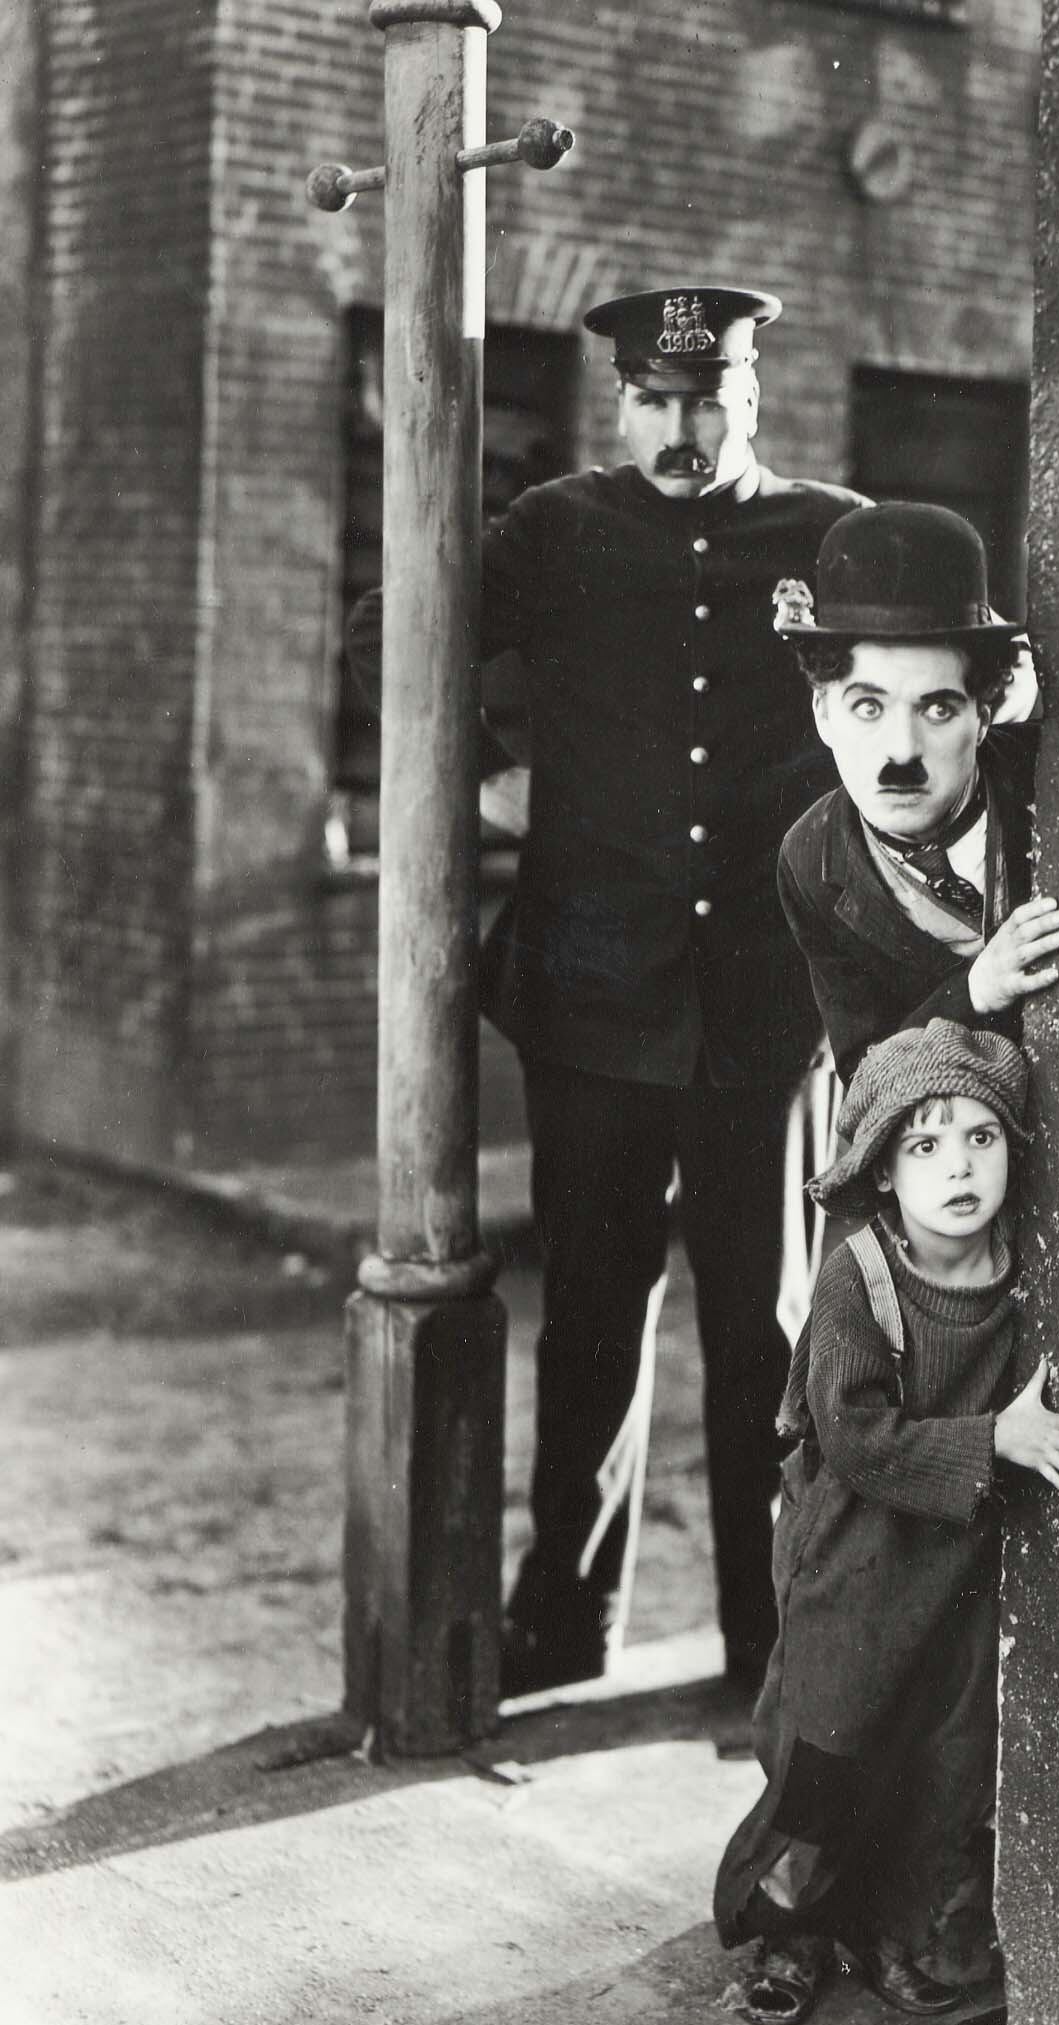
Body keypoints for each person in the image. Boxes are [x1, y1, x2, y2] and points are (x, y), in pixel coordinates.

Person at [348, 285, 868, 1697]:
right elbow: (391, 628)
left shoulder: (830, 535)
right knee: (588, 1318)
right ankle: (564, 1622)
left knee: (765, 1333)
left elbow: (951, 673)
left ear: (752, 399)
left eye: (708, 401)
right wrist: (480, 777)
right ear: (621, 405)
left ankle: (769, 1631)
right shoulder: (557, 528)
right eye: (655, 402)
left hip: (763, 1008)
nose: (681, 429)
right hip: (591, 999)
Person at [713, 1019, 1059, 2025]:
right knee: (829, 1747)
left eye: (980, 1136)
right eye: (923, 1145)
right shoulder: (861, 1278)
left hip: (952, 1559)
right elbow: (850, 1433)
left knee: (941, 1754)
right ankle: (790, 1928)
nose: (957, 1166)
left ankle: (896, 1929)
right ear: (882, 1171)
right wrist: (994, 1442)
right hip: (852, 1555)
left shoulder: (1020, 1265)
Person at [773, 503, 1059, 1087]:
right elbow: (867, 1069)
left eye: (937, 709)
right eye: (869, 707)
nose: (902, 752)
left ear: (984, 716)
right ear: (823, 714)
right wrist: (975, 991)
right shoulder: (811, 860)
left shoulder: (1052, 781)